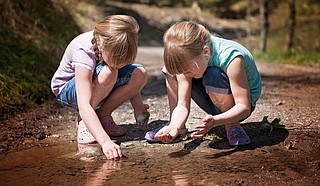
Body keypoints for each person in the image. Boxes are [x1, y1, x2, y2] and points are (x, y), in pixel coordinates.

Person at [145, 21, 261, 145]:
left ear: (206, 51)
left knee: (213, 74)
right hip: (212, 101)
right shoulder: (192, 61)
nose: (186, 74)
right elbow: (182, 105)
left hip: (238, 108)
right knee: (171, 69)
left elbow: (244, 107)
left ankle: (232, 126)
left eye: (188, 70)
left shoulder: (230, 57)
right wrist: (174, 125)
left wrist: (216, 121)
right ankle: (177, 125)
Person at [51, 15, 150, 160]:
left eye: (125, 61)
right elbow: (84, 104)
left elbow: (128, 75)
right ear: (100, 43)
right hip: (68, 91)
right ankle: (84, 122)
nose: (121, 65)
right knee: (110, 72)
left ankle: (103, 115)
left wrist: (138, 105)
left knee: (139, 73)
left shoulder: (111, 46)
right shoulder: (84, 52)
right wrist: (105, 142)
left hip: (99, 84)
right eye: (117, 60)